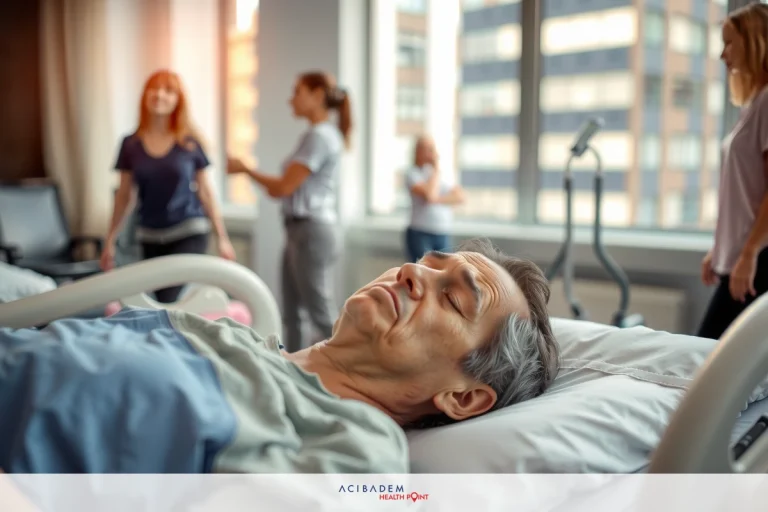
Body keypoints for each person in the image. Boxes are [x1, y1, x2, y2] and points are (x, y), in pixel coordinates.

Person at [0, 238, 559, 473]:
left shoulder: (365, 456)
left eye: (455, 297)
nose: (415, 273)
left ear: (463, 396)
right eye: (428, 263)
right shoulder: (239, 341)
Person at [227, 71, 351, 353]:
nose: (290, 99)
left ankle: (350, 368)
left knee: (320, 314)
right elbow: (281, 189)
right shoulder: (315, 135)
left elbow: (283, 187)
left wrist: (245, 169)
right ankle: (292, 369)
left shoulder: (320, 137)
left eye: (297, 92)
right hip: (300, 230)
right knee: (292, 314)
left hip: (312, 231)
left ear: (317, 95)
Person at [100, 69, 235, 303]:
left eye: (168, 90)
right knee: (159, 301)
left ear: (177, 100)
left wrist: (222, 237)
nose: (160, 94)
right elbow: (124, 197)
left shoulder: (190, 143)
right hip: (150, 235)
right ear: (145, 95)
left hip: (188, 231)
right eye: (154, 88)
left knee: (168, 297)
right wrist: (110, 240)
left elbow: (205, 192)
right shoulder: (130, 144)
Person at [699, 2, 768, 339]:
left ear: (755, 42)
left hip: (758, 259)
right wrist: (720, 249)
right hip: (740, 255)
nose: (722, 54)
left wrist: (749, 254)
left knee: (705, 359)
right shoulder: (754, 103)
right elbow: (745, 192)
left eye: (729, 43)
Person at [404, 135, 465, 263]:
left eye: (432, 148)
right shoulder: (412, 173)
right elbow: (428, 195)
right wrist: (436, 170)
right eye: (428, 149)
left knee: (444, 275)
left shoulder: (441, 175)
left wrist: (436, 200)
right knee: (422, 274)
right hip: (420, 233)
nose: (431, 153)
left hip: (442, 232)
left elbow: (460, 197)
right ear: (417, 151)